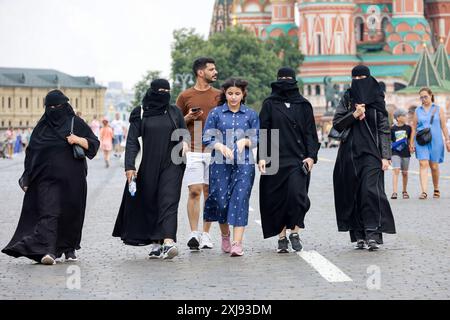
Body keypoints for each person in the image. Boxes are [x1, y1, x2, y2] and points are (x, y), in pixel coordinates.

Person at [2, 90, 100, 265]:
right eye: (50, 107)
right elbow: (31, 153)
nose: (54, 109)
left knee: (71, 213)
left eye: (58, 106)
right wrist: (28, 177)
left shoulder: (75, 123)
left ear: (65, 106)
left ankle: (69, 248)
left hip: (73, 180)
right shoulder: (42, 126)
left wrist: (77, 139)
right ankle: (49, 250)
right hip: (45, 179)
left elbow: (94, 145)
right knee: (49, 212)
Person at [113, 79, 189, 260]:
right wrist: (129, 166)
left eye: (167, 90)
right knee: (150, 202)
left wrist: (185, 141)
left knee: (169, 200)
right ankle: (156, 242)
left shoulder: (174, 111)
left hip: (173, 163)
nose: (164, 93)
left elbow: (184, 131)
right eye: (160, 90)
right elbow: (132, 140)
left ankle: (169, 241)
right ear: (152, 91)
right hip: (146, 165)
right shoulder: (140, 113)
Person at [332, 65, 396, 251]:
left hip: (373, 154)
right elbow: (337, 124)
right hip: (349, 154)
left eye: (362, 77)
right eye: (356, 77)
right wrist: (354, 114)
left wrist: (386, 156)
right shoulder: (348, 98)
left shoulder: (377, 99)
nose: (359, 81)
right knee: (353, 194)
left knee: (371, 192)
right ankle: (358, 234)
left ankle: (373, 233)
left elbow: (384, 129)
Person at [258, 67, 320, 253]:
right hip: (274, 158)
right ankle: (282, 237)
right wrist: (261, 156)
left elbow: (311, 133)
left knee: (296, 196)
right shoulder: (269, 104)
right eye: (281, 78)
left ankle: (295, 231)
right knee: (277, 200)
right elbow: (264, 132)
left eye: (288, 78)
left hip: (298, 158)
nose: (285, 81)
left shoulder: (304, 105)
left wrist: (311, 156)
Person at [203, 78, 259, 257]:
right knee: (221, 201)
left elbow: (259, 137)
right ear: (224, 94)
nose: (233, 97)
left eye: (237, 94)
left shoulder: (251, 115)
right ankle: (225, 235)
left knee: (240, 199)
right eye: (230, 93)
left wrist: (246, 140)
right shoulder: (215, 114)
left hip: (244, 165)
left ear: (243, 95)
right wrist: (219, 146)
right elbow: (207, 138)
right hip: (219, 165)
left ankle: (237, 243)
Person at [176, 57, 221, 250]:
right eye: (211, 69)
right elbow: (175, 124)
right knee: (194, 190)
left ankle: (206, 235)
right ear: (200, 72)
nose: (215, 72)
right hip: (193, 149)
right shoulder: (185, 96)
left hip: (214, 150)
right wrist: (188, 117)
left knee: (209, 193)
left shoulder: (220, 95)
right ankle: (193, 233)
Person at [409, 87, 450, 199]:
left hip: (436, 141)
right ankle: (424, 192)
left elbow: (444, 127)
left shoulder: (438, 109)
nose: (423, 99)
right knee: (423, 164)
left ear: (431, 95)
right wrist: (411, 143)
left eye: (425, 96)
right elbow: (413, 127)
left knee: (434, 166)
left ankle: (436, 188)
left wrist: (447, 140)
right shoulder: (417, 110)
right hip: (421, 141)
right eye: (421, 97)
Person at [391, 109, 412, 200]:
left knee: (405, 173)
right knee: (396, 170)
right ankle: (394, 192)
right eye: (404, 116)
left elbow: (410, 139)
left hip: (406, 152)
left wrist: (411, 146)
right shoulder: (392, 128)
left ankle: (404, 191)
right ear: (398, 118)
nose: (406, 117)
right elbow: (390, 141)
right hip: (395, 152)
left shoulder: (408, 128)